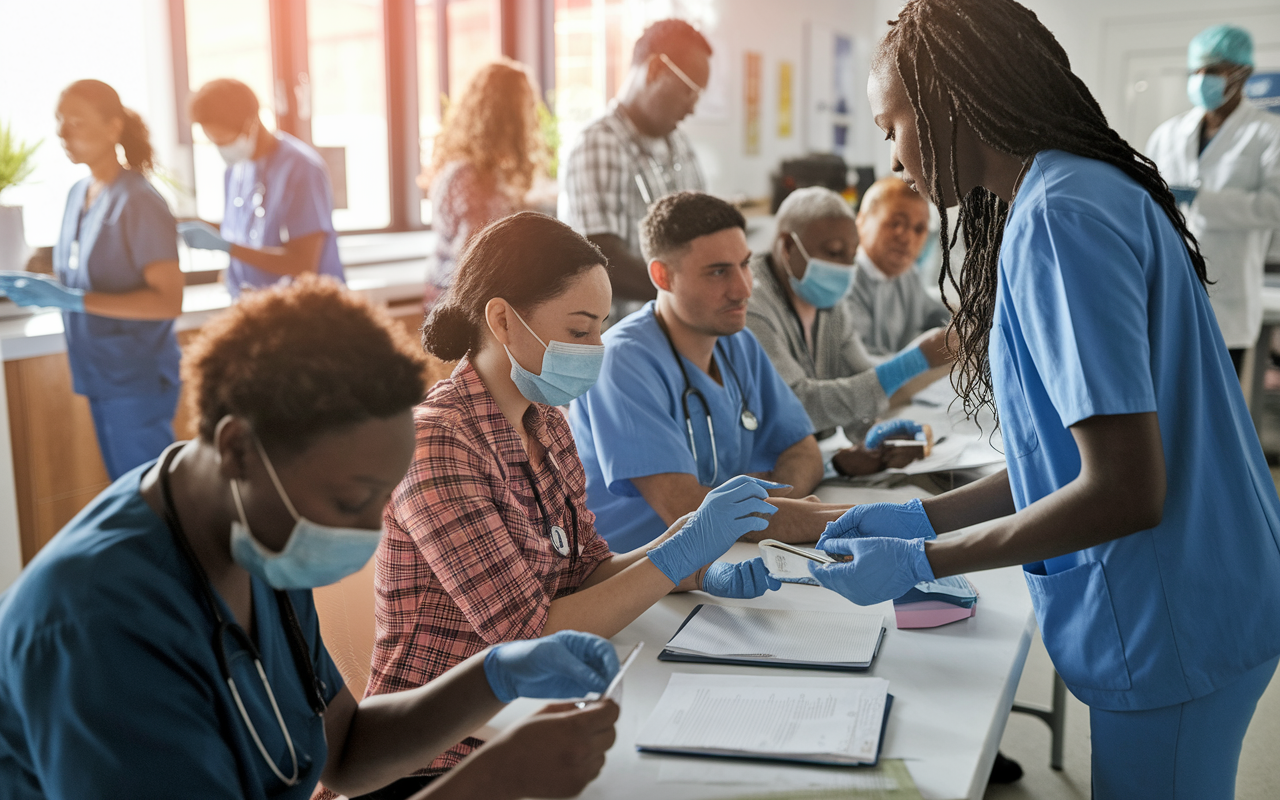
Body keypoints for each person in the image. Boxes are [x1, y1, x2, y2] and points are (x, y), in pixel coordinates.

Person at [809, 2, 1280, 798]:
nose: (893, 159)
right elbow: (1067, 463)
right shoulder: (1081, 188)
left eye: (893, 126)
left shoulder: (1058, 217)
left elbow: (1124, 490)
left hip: (1171, 619)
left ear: (948, 101)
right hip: (1207, 588)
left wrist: (923, 560)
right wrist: (927, 514)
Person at [0, 276, 623, 800]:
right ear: (239, 447)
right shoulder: (98, 622)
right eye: (351, 501)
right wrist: (487, 781)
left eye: (383, 497)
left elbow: (344, 749)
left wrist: (493, 676)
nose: (369, 528)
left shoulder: (248, 527)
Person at [366, 211, 782, 796]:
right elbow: (526, 633)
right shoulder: (439, 441)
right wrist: (677, 551)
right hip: (436, 757)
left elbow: (585, 570)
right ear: (504, 320)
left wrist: (693, 560)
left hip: (535, 716)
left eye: (601, 329)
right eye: (580, 330)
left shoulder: (549, 423)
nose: (597, 349)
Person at [571, 191, 849, 553]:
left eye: (745, 265)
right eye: (718, 272)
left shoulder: (738, 343)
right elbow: (685, 509)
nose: (743, 289)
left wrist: (774, 506)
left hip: (731, 551)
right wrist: (810, 517)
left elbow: (802, 450)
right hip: (646, 582)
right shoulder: (621, 362)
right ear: (663, 275)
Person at [0, 80, 183, 480]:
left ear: (113, 127)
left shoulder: (140, 201)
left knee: (150, 503)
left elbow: (168, 301)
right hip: (97, 373)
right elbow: (85, 268)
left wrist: (71, 300)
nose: (63, 134)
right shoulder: (78, 193)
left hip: (136, 379)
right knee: (127, 494)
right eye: (60, 123)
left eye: (77, 122)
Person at [746, 186, 952, 477]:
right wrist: (915, 361)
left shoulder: (829, 301)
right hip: (763, 472)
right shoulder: (751, 304)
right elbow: (799, 407)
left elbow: (859, 381)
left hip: (814, 462)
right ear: (788, 247)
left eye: (851, 256)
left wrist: (880, 436)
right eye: (833, 252)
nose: (843, 268)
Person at [1146, 25, 1280, 376]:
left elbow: (1274, 206)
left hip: (1230, 295)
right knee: (1166, 395)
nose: (1202, 79)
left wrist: (1203, 200)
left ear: (1243, 72)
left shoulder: (1269, 133)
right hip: (1169, 286)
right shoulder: (1168, 133)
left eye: (1214, 70)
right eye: (1197, 71)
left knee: (1217, 403)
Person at [559, 19, 709, 315]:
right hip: (621, 336)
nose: (692, 108)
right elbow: (601, 262)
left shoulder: (679, 144)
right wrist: (689, 294)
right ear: (655, 70)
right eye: (689, 91)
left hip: (676, 327)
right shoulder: (599, 144)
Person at [179, 78, 345, 297]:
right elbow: (248, 233)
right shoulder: (235, 171)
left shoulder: (301, 169)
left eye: (223, 140)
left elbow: (303, 263)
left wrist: (227, 247)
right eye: (214, 142)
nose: (221, 149)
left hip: (307, 310)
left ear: (251, 123)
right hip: (253, 303)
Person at [422, 59, 552, 312]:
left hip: (447, 295)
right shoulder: (472, 178)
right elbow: (477, 258)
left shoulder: (468, 169)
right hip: (460, 306)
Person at [848, 177, 952, 357]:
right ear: (861, 221)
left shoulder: (907, 276)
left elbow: (937, 314)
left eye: (919, 229)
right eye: (896, 223)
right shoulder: (846, 282)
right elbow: (859, 362)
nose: (907, 238)